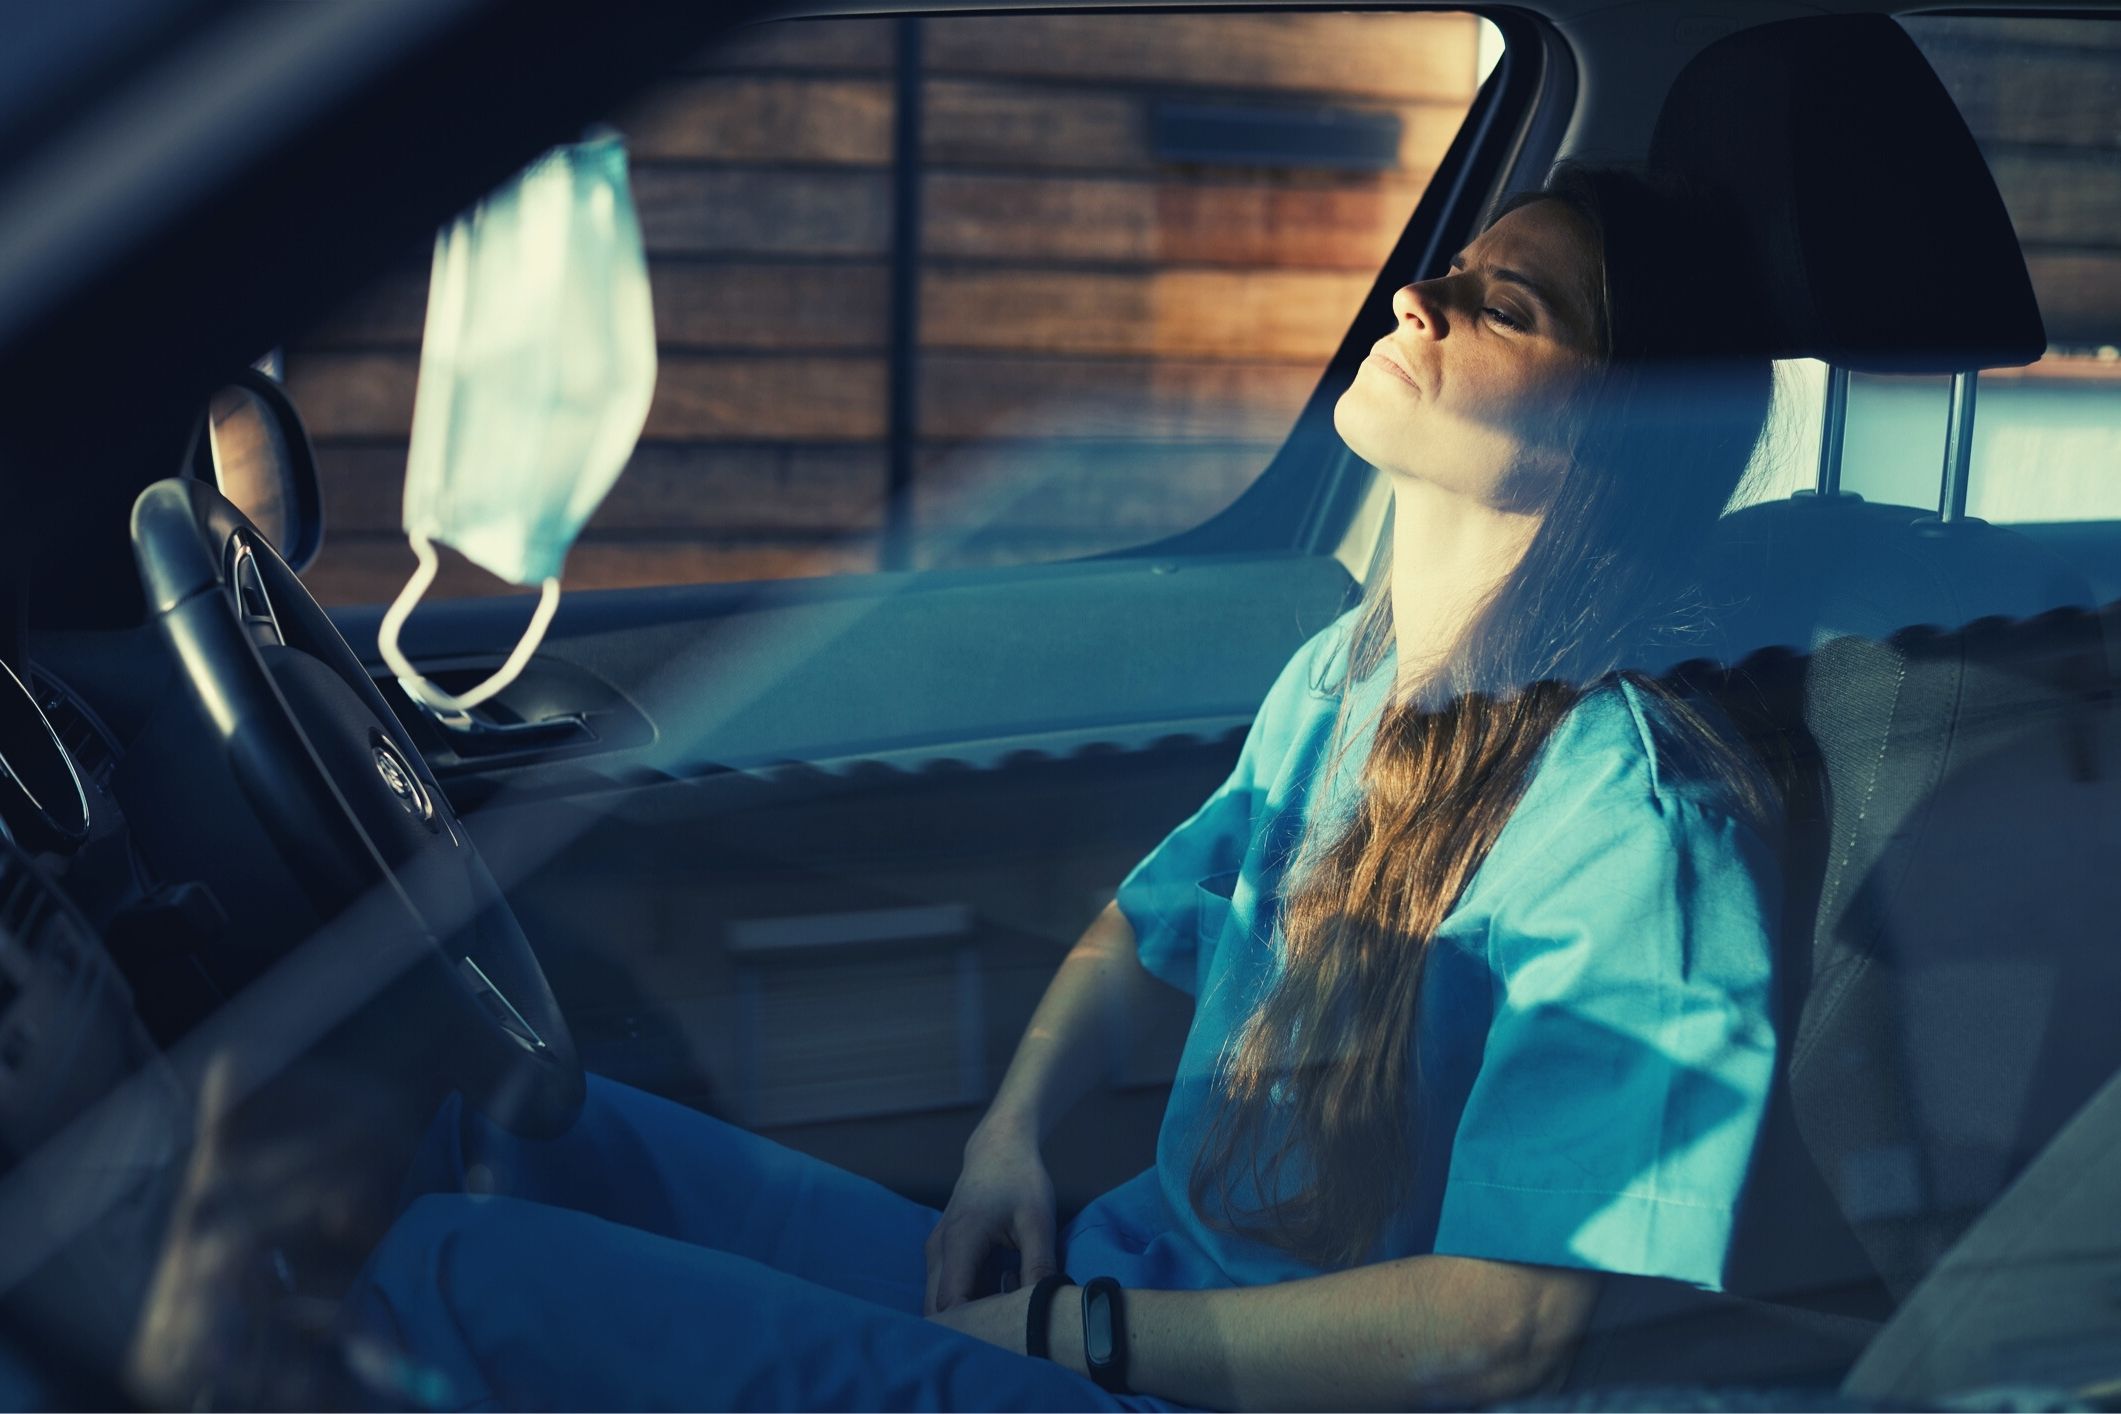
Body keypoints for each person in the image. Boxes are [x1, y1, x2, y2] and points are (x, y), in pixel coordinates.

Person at [338, 164, 1784, 1412]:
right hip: (1113, 1292)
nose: (1421, 296)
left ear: (1619, 437)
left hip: (1174, 1375)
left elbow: (1504, 1329)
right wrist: (1006, 1137)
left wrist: (1070, 1334)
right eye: (1453, 270)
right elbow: (1143, 926)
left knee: (453, 1271)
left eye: (1504, 306)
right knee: (519, 1127)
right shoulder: (1345, 679)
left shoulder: (1633, 822)